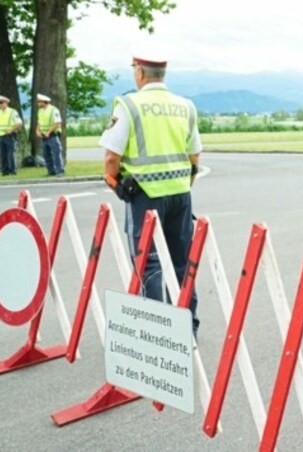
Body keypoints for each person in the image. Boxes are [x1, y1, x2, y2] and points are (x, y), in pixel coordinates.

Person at [99, 47, 202, 336]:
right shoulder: (186, 106)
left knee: (149, 264)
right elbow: (195, 158)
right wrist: (182, 186)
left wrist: (116, 184)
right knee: (182, 262)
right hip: (181, 195)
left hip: (144, 196)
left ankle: (159, 334)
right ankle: (187, 327)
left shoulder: (129, 105)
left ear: (140, 72)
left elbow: (110, 159)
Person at [0, 95, 23, 176]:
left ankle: (13, 170)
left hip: (10, 135)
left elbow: (19, 123)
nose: (0, 105)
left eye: (1, 103)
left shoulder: (12, 112)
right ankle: (5, 171)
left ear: (6, 103)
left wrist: (11, 130)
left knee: (10, 154)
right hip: (1, 135)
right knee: (2, 154)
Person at [36, 93, 65, 177]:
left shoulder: (53, 110)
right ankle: (51, 171)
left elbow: (57, 123)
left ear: (44, 102)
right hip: (44, 136)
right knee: (46, 154)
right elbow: (39, 122)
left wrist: (48, 132)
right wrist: (37, 131)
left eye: (39, 101)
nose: (37, 103)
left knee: (56, 153)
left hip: (53, 135)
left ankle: (60, 171)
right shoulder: (40, 111)